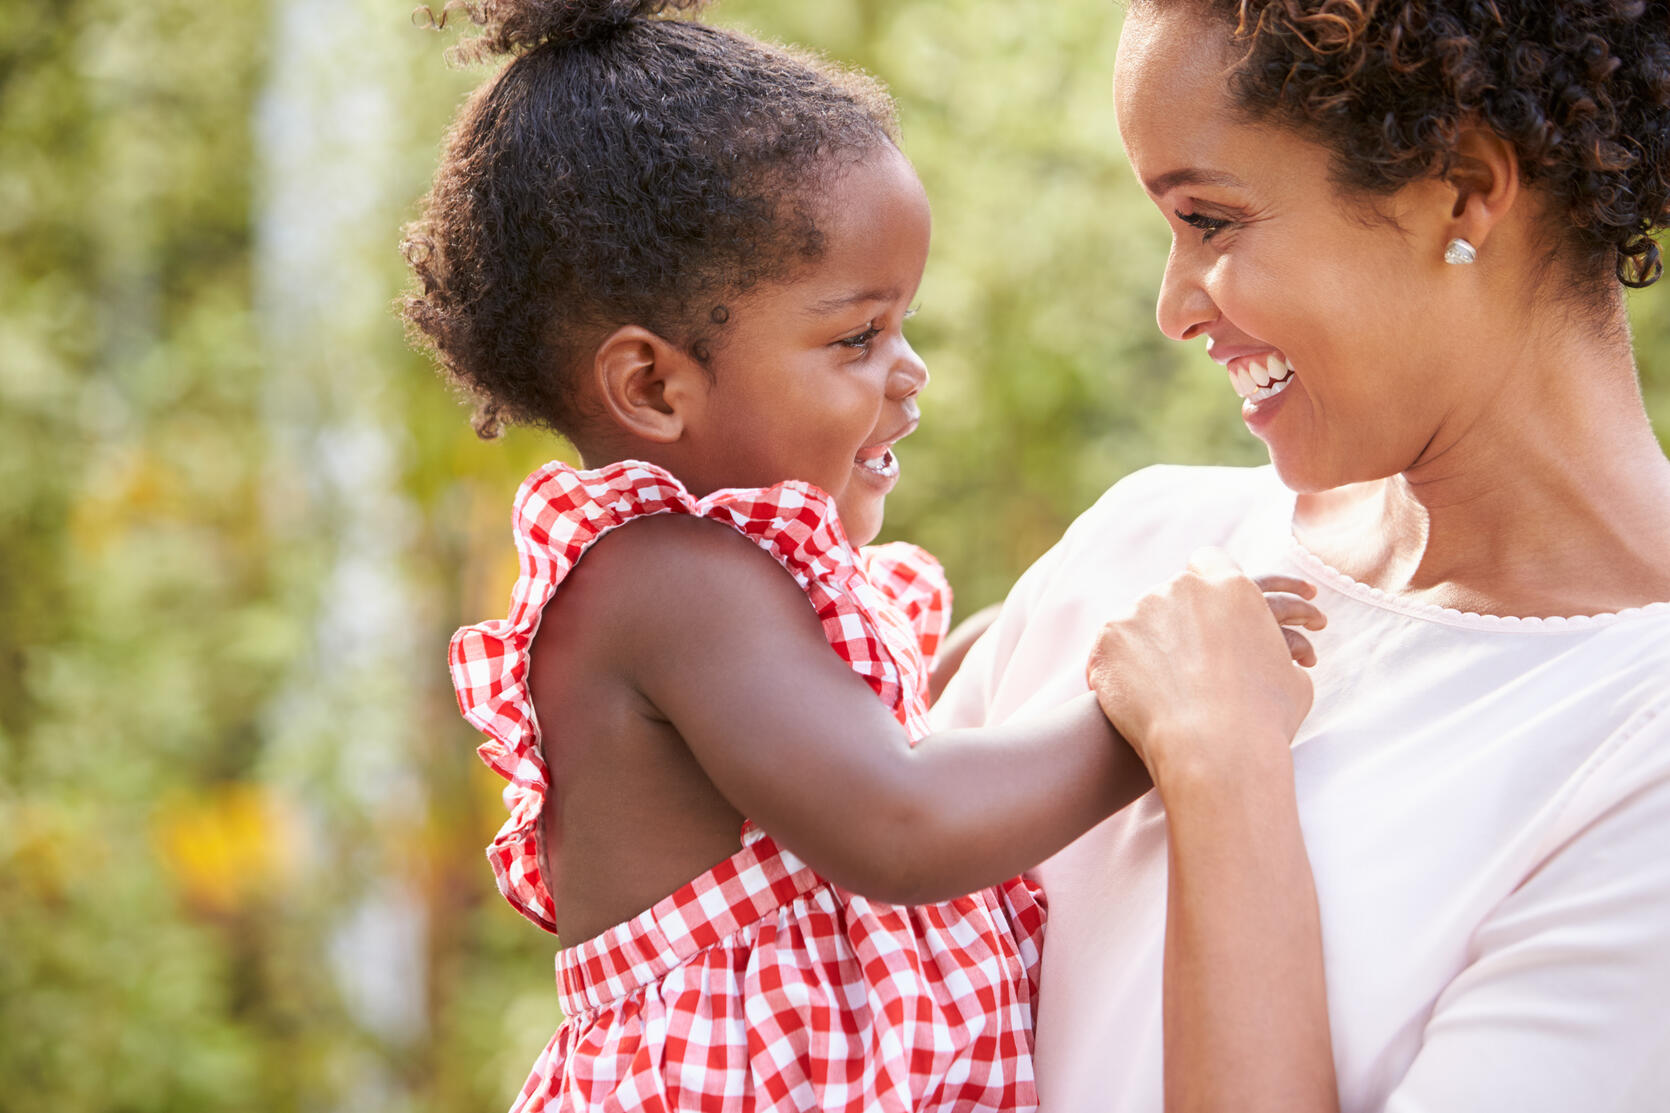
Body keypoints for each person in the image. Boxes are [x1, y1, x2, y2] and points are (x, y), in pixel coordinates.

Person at [401, 2, 1323, 1110]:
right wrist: (1163, 716)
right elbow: (900, 824)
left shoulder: (730, 589)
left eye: (900, 326)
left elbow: (845, 756)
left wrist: (1017, 651)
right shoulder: (666, 579)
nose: (908, 373)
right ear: (651, 386)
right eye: (854, 338)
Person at [936, 2, 1670, 1111]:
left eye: (1209, 220)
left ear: (1461, 189)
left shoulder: (1637, 749)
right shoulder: (1139, 546)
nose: (1172, 309)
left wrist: (1220, 771)